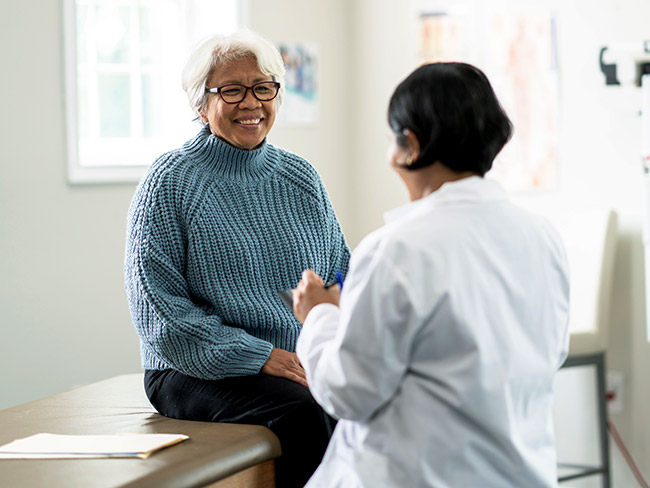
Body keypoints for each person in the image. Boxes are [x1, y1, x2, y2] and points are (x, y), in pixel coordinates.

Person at [292, 62, 570, 487]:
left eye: (391, 139)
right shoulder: (543, 236)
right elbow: (550, 354)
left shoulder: (395, 248)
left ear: (410, 146)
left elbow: (347, 393)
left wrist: (319, 316)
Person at [124, 30, 350, 488]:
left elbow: (339, 274)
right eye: (232, 90)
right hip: (189, 366)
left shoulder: (300, 178)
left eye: (263, 88)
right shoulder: (170, 182)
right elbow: (162, 317)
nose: (251, 103)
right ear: (201, 104)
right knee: (305, 414)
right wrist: (259, 356)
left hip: (293, 360)